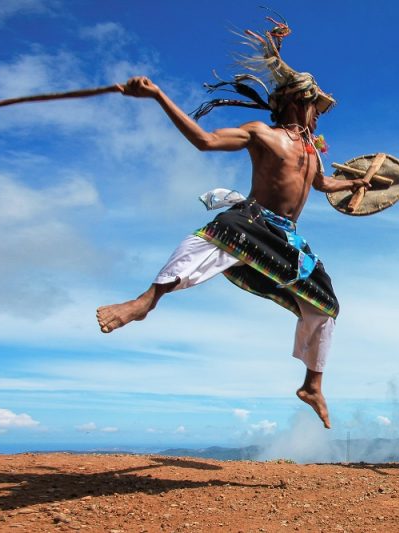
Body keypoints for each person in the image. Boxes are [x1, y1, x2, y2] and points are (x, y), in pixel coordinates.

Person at [95, 22, 368, 429]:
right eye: (316, 107)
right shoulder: (262, 134)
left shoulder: (313, 152)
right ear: (298, 102)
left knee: (325, 303)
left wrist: (357, 182)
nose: (319, 115)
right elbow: (205, 141)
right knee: (219, 232)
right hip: (253, 218)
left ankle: (312, 384)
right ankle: (145, 301)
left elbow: (325, 184)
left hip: (286, 236)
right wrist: (157, 97)